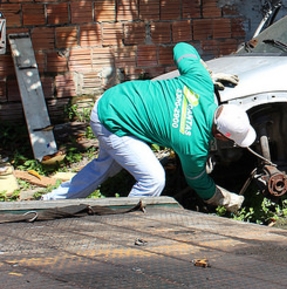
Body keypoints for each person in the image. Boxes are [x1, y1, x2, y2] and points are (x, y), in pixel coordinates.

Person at [43, 42, 253, 212]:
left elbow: (182, 47)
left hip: (114, 99)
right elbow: (197, 181)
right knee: (153, 179)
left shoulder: (201, 83)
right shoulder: (194, 145)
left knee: (106, 166)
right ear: (220, 135)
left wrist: (203, 71)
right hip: (113, 121)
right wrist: (225, 199)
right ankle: (126, 224)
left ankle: (51, 201)